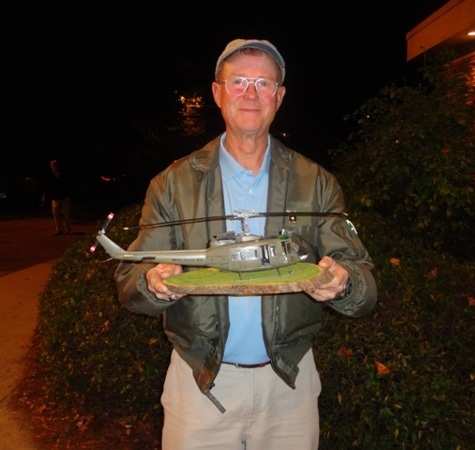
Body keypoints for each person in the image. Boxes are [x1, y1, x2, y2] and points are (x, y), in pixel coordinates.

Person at [114, 38, 377, 449]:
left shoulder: (317, 182)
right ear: (217, 92)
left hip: (289, 384)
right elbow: (130, 282)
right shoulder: (172, 183)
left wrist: (344, 284)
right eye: (238, 81)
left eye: (263, 83)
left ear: (279, 97)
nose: (250, 94)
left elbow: (364, 285)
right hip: (199, 383)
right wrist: (152, 283)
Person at [41, 159, 72, 235]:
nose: (54, 167)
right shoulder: (50, 176)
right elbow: (47, 187)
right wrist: (44, 196)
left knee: (65, 214)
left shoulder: (64, 174)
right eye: (52, 165)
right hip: (55, 198)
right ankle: (59, 230)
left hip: (64, 197)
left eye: (55, 165)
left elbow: (68, 184)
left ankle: (67, 229)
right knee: (56, 214)